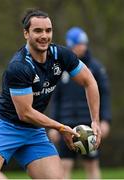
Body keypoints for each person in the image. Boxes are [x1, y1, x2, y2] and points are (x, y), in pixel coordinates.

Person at [0, 9, 101, 179]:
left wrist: (95, 121)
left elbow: (89, 81)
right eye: (38, 31)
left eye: (48, 30)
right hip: (4, 126)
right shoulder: (19, 66)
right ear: (26, 33)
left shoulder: (61, 55)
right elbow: (25, 113)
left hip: (33, 131)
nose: (44, 36)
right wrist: (60, 127)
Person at [48, 27, 111, 179]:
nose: (82, 47)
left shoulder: (96, 68)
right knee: (64, 166)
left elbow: (105, 94)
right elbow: (54, 99)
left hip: (88, 125)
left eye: (84, 44)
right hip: (66, 125)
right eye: (78, 44)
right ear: (70, 45)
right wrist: (54, 126)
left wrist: (105, 120)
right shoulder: (59, 68)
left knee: (92, 165)